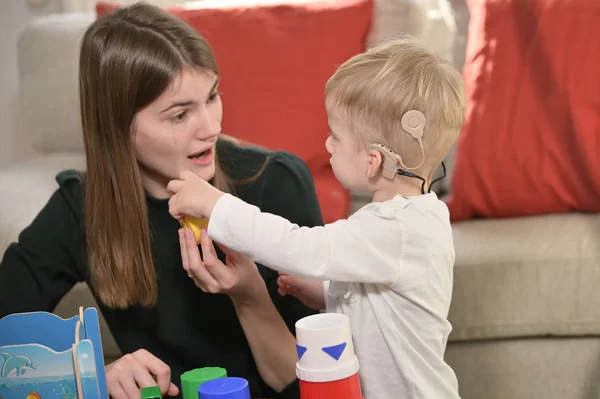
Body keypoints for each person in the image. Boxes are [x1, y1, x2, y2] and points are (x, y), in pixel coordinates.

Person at [0, 3, 323, 398]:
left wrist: (249, 294)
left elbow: (317, 379)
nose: (212, 127)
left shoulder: (276, 183)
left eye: (213, 96)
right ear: (118, 128)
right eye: (179, 115)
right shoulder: (78, 209)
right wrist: (94, 372)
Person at [167, 38, 466, 398]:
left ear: (372, 161)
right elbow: (379, 294)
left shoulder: (397, 229)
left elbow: (301, 246)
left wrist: (217, 205)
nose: (327, 145)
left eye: (335, 137)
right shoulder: (408, 218)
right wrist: (326, 292)